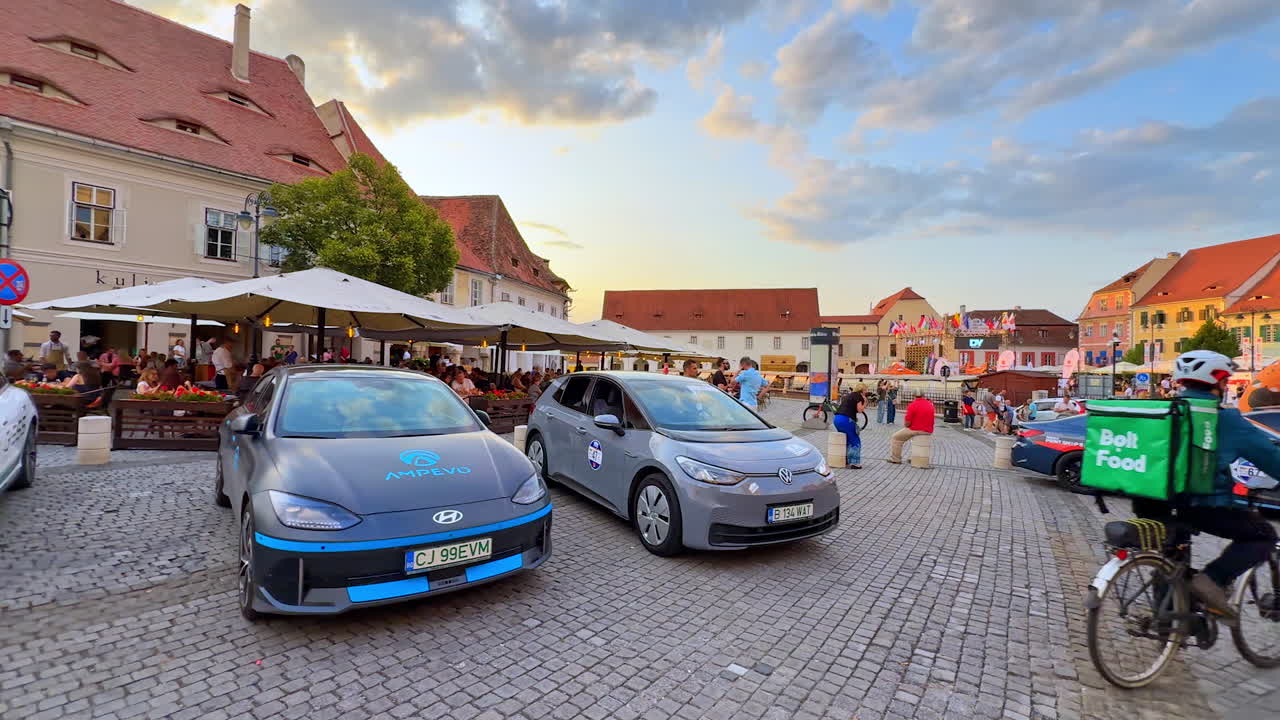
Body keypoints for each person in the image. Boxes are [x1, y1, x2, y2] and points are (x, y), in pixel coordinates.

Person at [1131, 350, 1280, 626]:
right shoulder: (1225, 419)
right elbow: (1271, 458)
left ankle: (1165, 624)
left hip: (1149, 500)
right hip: (1201, 505)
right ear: (1220, 383)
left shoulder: (1164, 410)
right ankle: (1212, 581)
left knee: (1172, 554)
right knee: (1263, 536)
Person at [888, 391, 935, 463]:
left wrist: (907, 426)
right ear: (923, 396)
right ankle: (912, 457)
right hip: (928, 430)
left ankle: (895, 459)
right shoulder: (930, 404)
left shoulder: (913, 405)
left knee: (896, 438)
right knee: (914, 439)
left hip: (915, 429)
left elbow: (907, 423)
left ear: (914, 396)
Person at [833, 385, 865, 469]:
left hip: (837, 418)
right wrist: (865, 401)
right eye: (866, 390)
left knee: (845, 439)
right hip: (846, 419)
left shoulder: (849, 395)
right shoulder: (859, 396)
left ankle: (844, 460)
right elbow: (860, 410)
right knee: (854, 439)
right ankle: (854, 463)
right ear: (862, 390)